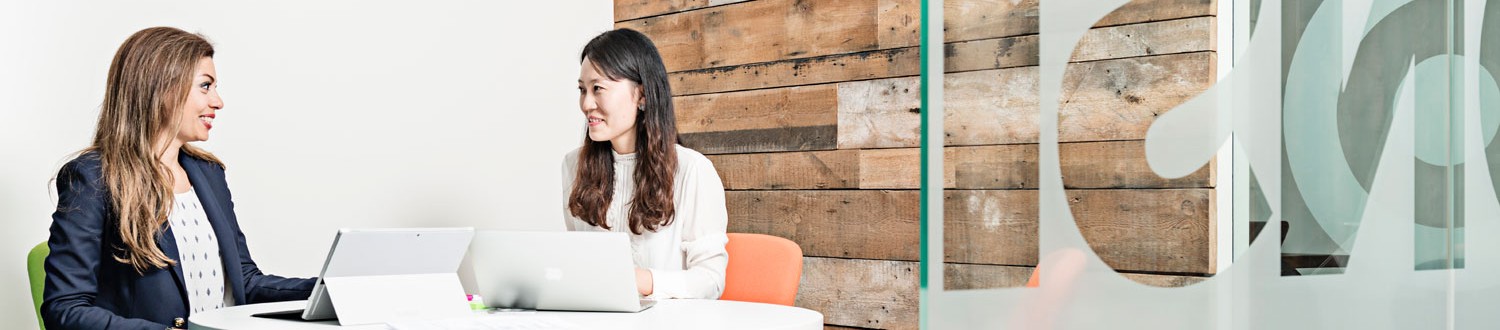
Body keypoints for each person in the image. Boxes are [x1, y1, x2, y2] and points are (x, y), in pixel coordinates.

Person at [42, 27, 315, 330]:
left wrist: (326, 289)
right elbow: (65, 309)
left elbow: (244, 281)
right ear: (162, 88)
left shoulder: (208, 174)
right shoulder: (95, 178)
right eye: (205, 86)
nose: (218, 101)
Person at [561, 28, 729, 299]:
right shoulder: (573, 166)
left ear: (641, 95)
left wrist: (643, 281)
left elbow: (711, 280)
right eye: (582, 90)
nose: (586, 104)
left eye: (598, 89)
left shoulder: (692, 170)